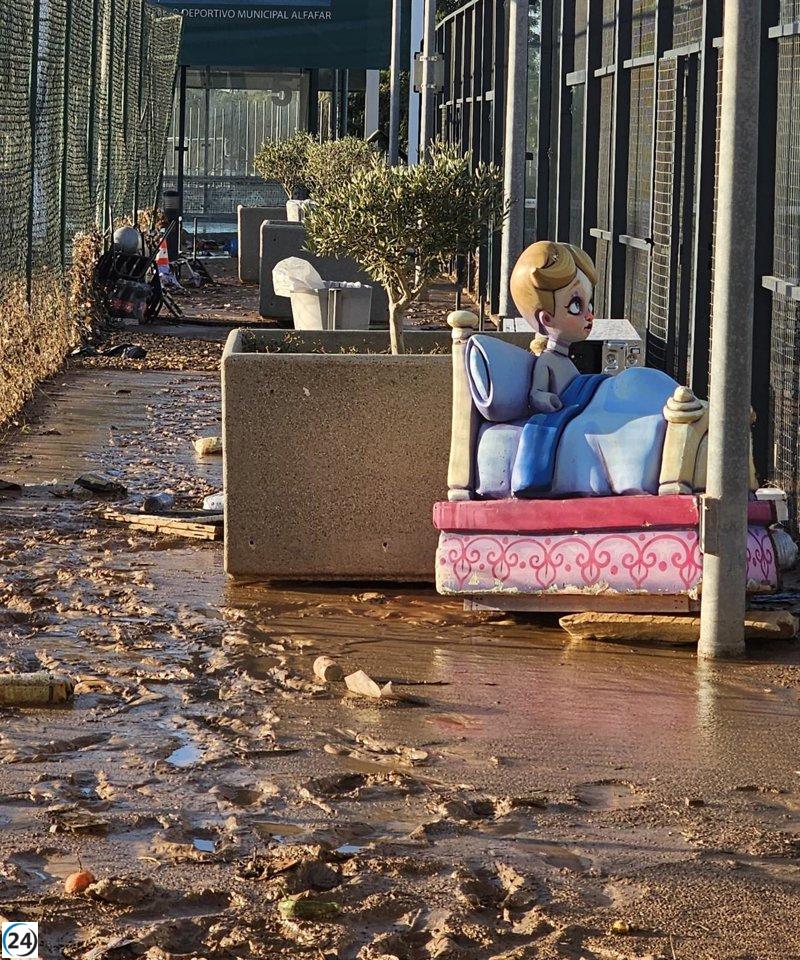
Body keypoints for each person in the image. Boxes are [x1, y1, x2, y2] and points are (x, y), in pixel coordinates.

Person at [510, 240, 596, 413]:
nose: (590, 315)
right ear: (546, 319)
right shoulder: (547, 361)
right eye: (575, 306)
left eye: (590, 305)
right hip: (563, 418)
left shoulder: (564, 360)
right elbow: (536, 394)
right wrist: (548, 400)